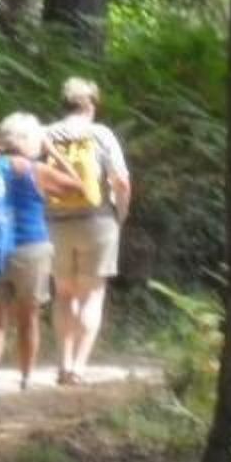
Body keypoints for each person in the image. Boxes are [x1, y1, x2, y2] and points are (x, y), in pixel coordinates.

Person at [0, 112, 86, 391]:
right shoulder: (37, 171)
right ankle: (26, 378)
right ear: (30, 141)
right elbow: (79, 187)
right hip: (31, 248)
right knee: (28, 317)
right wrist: (53, 150)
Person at [42, 76, 132, 386]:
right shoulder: (101, 135)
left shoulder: (46, 134)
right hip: (98, 221)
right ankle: (78, 367)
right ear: (90, 105)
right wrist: (120, 213)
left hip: (55, 223)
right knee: (92, 294)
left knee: (63, 294)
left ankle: (63, 364)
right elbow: (121, 181)